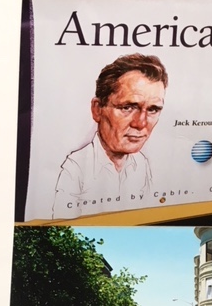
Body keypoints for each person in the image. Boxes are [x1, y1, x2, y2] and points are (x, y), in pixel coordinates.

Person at [53, 53, 168, 219]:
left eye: (153, 110)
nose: (140, 123)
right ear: (97, 109)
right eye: (128, 107)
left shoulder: (141, 164)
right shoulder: (75, 167)